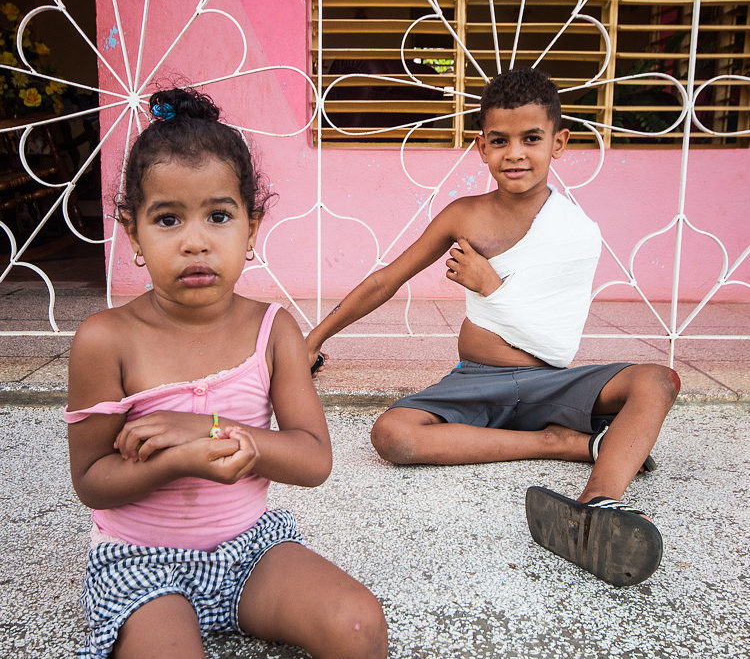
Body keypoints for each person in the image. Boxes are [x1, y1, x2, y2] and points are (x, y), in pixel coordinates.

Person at [305, 68, 680, 587]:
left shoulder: (577, 231)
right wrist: (314, 338)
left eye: (531, 139)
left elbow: (556, 341)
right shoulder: (465, 214)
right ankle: (565, 444)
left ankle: (598, 503)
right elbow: (388, 279)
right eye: (500, 141)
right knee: (392, 435)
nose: (516, 154)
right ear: (481, 147)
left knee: (657, 381)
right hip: (474, 379)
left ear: (559, 143)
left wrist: (492, 287)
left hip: (551, 381)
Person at [65, 88, 388, 659]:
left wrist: (206, 431)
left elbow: (313, 459)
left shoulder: (275, 331)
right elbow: (91, 479)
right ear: (133, 233)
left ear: (252, 226)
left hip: (250, 552)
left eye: (219, 216)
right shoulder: (105, 339)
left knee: (358, 624)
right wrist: (179, 462)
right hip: (142, 564)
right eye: (167, 219)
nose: (196, 241)